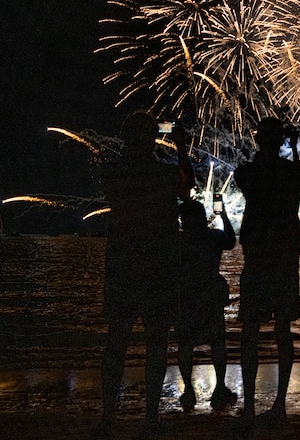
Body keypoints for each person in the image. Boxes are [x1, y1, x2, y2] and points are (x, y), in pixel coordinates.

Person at [92, 112, 189, 439]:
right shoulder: (163, 175)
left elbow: (113, 193)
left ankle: (108, 418)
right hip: (158, 268)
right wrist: (182, 148)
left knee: (115, 342)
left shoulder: (113, 172)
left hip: (122, 266)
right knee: (156, 344)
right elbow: (187, 190)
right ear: (151, 139)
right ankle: (150, 417)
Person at [234, 118, 300, 435]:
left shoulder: (246, 172)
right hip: (285, 258)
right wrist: (293, 147)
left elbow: (245, 177)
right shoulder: (292, 172)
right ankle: (280, 405)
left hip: (257, 258)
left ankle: (249, 407)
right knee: (283, 330)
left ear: (258, 139)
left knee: (250, 329)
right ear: (280, 141)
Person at [176, 198, 238, 412]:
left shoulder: (179, 240)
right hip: (211, 293)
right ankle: (219, 387)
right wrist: (224, 216)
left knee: (185, 343)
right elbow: (231, 241)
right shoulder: (213, 237)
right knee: (217, 342)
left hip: (187, 295)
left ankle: (188, 390)